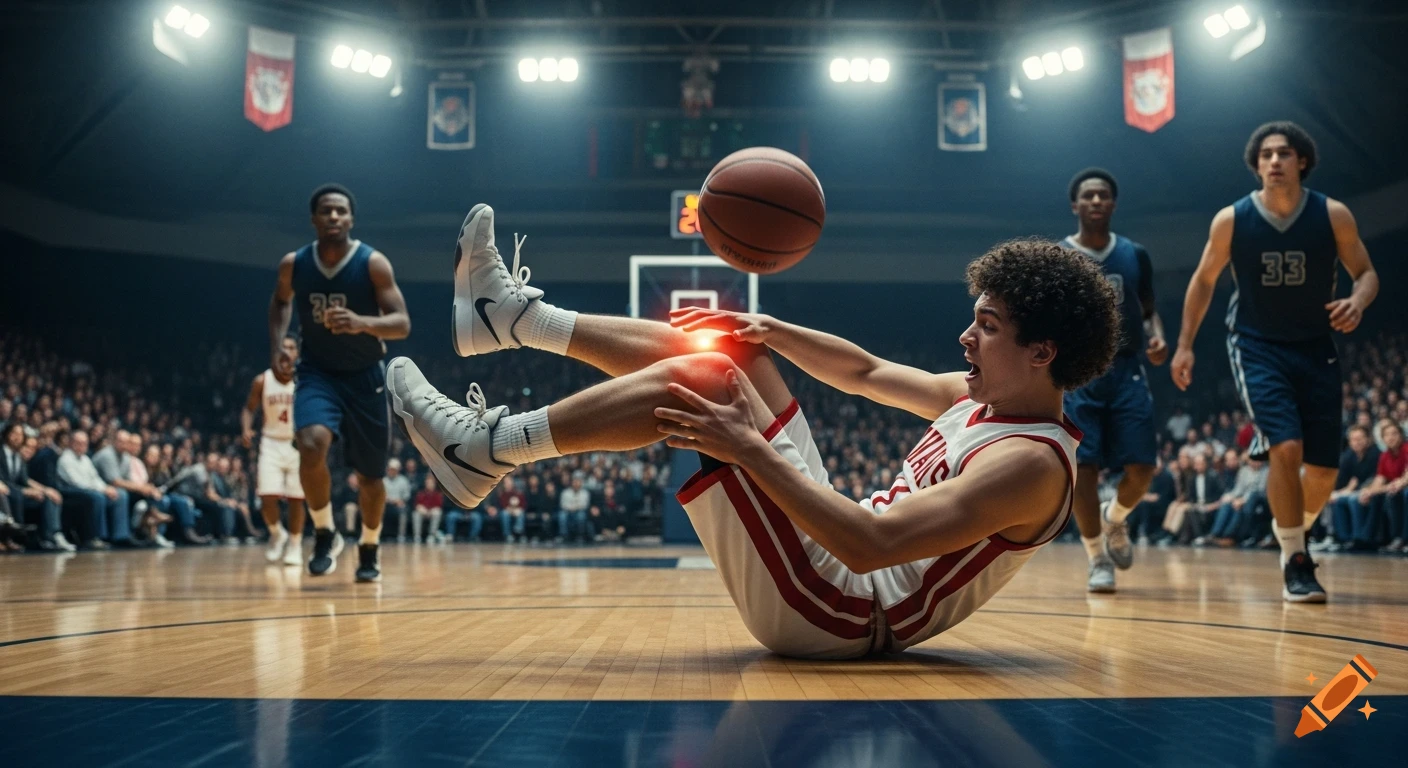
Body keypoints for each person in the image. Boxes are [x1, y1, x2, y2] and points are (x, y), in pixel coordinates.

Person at [389, 208, 1118, 659]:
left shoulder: (1029, 465)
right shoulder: (979, 400)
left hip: (844, 611)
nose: (965, 337)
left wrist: (745, 445)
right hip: (843, 555)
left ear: (1042, 353)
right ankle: (510, 320)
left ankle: (486, 451)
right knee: (729, 355)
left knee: (710, 388)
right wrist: (770, 330)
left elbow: (870, 546)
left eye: (986, 328)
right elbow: (864, 373)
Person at [1172, 121, 1379, 602]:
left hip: (1315, 346)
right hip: (1256, 345)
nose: (1274, 161)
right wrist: (1184, 344)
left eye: (1284, 153)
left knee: (1324, 471)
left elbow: (1365, 272)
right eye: (1265, 154)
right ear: (1256, 164)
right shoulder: (1232, 219)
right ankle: (1295, 559)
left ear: (1301, 161)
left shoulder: (1333, 214)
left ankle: (1292, 529)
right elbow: (1203, 281)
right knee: (1285, 449)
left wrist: (1358, 301)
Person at [267, 184, 411, 582]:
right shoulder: (294, 264)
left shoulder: (372, 263)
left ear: (351, 219)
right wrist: (278, 344)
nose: (333, 217)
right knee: (310, 444)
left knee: (371, 478)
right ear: (314, 219)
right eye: (326, 211)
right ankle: (326, 532)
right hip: (317, 373)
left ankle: (369, 545)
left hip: (366, 377)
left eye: (340, 212)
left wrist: (362, 322)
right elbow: (281, 302)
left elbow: (402, 323)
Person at [1059, 168, 1168, 593]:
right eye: (1088, 196)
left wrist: (1157, 335)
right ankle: (1096, 557)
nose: (1097, 201)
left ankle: (1115, 519)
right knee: (1083, 471)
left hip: (1127, 369)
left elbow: (1148, 310)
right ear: (1075, 205)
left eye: (1104, 195)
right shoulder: (1060, 257)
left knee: (1142, 469)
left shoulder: (1135, 254)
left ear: (1114, 204)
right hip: (1080, 372)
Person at [242, 335, 306, 566]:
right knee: (267, 496)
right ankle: (277, 534)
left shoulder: (304, 380)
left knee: (296, 499)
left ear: (297, 353)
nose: (287, 351)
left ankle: (296, 545)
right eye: (283, 347)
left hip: (297, 443)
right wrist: (247, 429)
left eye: (291, 347)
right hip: (270, 441)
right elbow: (249, 409)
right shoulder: (262, 380)